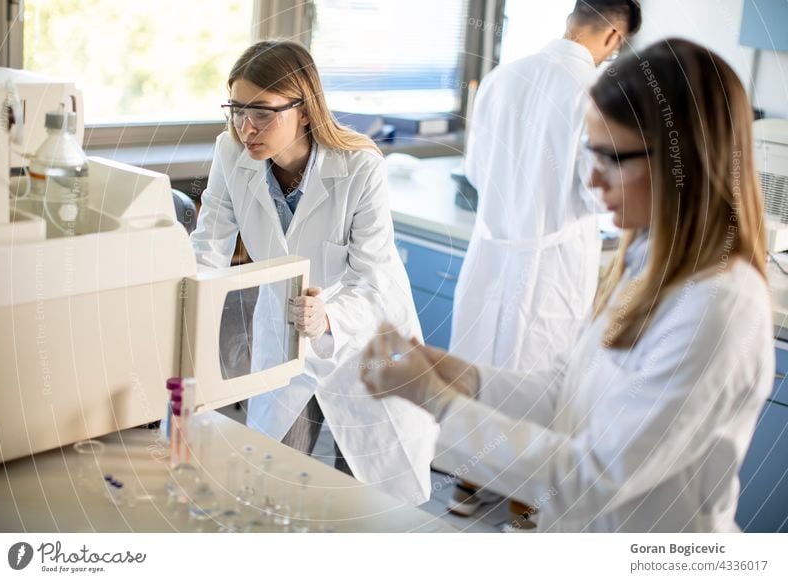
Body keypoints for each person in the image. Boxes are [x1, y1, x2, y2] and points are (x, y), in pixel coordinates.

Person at [361, 38, 774, 532]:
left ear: (684, 160)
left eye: (613, 159)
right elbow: (565, 392)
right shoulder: (644, 262)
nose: (594, 182)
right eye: (589, 153)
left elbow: (597, 478)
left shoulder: (716, 306)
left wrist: (437, 400)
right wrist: (459, 375)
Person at [190, 40, 438, 504]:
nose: (246, 127)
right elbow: (209, 242)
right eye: (236, 110)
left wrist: (327, 317)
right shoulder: (231, 152)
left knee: (371, 492)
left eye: (262, 112)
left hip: (364, 335)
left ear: (304, 110)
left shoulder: (359, 166)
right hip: (283, 331)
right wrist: (185, 307)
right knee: (273, 480)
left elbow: (373, 277)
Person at [448, 0, 642, 525]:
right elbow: (596, 190)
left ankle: (468, 483)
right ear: (614, 37)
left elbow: (476, 170)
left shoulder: (502, 76)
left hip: (493, 248)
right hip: (555, 257)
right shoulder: (597, 94)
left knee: (484, 361)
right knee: (541, 372)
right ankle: (523, 501)